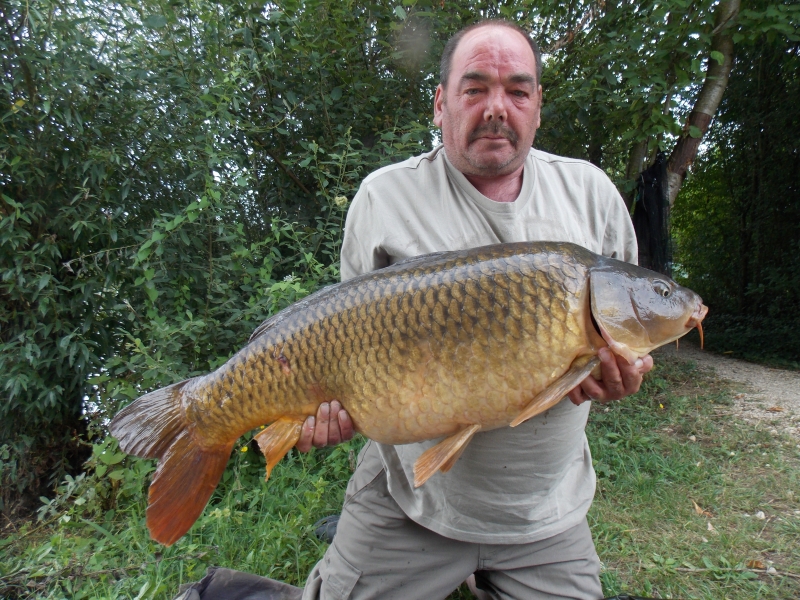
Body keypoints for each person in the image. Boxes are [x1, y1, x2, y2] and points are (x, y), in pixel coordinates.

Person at [294, 19, 652, 600]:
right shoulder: (385, 199)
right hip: (410, 495)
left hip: (543, 511)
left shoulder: (590, 195)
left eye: (517, 90)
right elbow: (340, 342)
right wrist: (320, 405)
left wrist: (623, 374)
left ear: (537, 105)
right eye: (474, 87)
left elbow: (624, 337)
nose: (496, 108)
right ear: (440, 104)